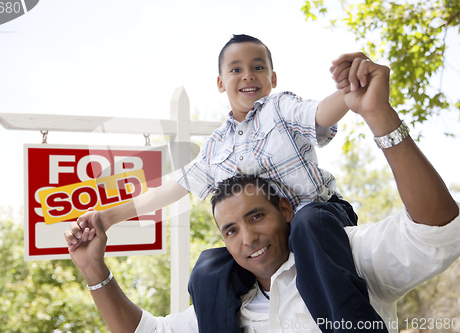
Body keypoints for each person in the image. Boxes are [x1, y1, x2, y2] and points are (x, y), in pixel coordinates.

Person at [64, 52, 460, 332]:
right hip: (289, 227)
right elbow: (173, 188)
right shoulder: (217, 148)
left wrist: (360, 99)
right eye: (235, 69)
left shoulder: (280, 110)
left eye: (258, 67)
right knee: (207, 267)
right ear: (220, 83)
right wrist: (106, 222)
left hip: (321, 220)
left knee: (309, 223)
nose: (248, 75)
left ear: (272, 78)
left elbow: (320, 112)